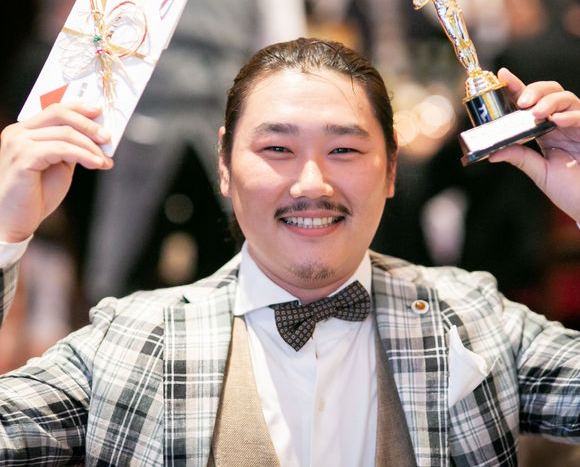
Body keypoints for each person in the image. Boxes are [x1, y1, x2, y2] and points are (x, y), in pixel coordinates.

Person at [0, 38, 579, 465]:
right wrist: (4, 234)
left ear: (391, 170)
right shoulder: (130, 341)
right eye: (277, 148)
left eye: (344, 150)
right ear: (224, 166)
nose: (310, 184)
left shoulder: (474, 319)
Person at [83, 0, 307, 304]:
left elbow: (100, 33)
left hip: (144, 120)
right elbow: (283, 58)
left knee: (127, 266)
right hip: (218, 128)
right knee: (224, 267)